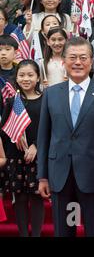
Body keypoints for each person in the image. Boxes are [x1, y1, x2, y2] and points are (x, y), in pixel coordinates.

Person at [37, 37, 94, 237]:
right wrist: (42, 176)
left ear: (91, 62)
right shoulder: (51, 94)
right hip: (60, 176)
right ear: (63, 61)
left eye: (83, 58)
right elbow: (44, 138)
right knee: (64, 231)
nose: (77, 62)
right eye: (72, 57)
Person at [0, 60, 44, 236]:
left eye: (30, 75)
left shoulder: (46, 100)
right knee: (20, 197)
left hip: (38, 157)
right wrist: (14, 135)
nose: (26, 79)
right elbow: (4, 128)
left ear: (38, 77)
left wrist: (36, 146)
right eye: (22, 75)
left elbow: (51, 129)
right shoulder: (12, 101)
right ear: (16, 78)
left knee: (36, 197)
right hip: (16, 156)